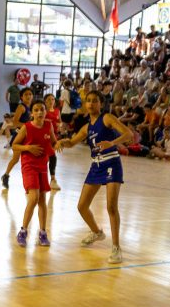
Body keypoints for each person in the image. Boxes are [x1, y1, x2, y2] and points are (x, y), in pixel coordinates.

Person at [55, 91, 133, 264]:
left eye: (94, 101)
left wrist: (112, 143)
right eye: (88, 101)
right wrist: (62, 141)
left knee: (111, 207)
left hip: (112, 162)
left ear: (101, 103)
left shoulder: (107, 118)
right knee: (82, 206)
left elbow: (129, 134)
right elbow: (73, 142)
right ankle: (97, 232)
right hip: (96, 166)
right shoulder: (86, 127)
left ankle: (116, 247)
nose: (91, 104)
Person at [12, 100, 57, 247]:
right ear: (31, 113)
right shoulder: (27, 127)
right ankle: (23, 231)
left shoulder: (48, 125)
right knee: (34, 198)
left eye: (42, 110)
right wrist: (28, 148)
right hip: (29, 165)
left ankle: (43, 232)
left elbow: (54, 142)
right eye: (36, 110)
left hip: (42, 165)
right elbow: (15, 145)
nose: (39, 112)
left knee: (43, 200)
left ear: (45, 112)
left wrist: (63, 143)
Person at [0, 87, 33, 189]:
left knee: (31, 159)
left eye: (30, 94)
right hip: (19, 136)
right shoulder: (21, 107)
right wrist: (28, 126)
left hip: (28, 136)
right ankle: (6, 175)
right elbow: (15, 123)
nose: (28, 96)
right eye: (26, 94)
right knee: (15, 159)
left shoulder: (31, 107)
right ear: (21, 97)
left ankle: (31, 180)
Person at [43, 94, 62, 190]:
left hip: (55, 137)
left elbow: (60, 122)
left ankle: (50, 180)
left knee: (50, 157)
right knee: (51, 157)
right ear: (45, 101)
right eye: (49, 99)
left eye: (53, 99)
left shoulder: (57, 111)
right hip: (45, 137)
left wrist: (60, 126)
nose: (51, 101)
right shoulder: (43, 111)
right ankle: (52, 179)